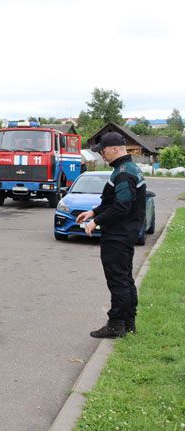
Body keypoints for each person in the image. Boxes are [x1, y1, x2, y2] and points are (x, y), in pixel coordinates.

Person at [76, 132, 146, 338]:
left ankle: (116, 325)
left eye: (103, 151)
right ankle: (128, 323)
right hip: (126, 233)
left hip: (118, 235)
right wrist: (93, 212)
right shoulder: (128, 168)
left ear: (115, 149)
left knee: (118, 281)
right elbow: (113, 201)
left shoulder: (123, 173)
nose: (102, 155)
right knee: (125, 279)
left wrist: (96, 221)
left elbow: (122, 206)